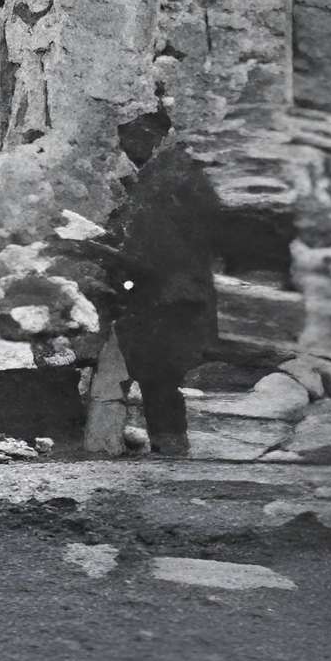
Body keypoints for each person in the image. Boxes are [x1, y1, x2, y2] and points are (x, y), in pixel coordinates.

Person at [104, 104, 226, 459]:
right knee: (157, 368)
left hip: (171, 291)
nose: (127, 148)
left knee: (162, 367)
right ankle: (169, 439)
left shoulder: (170, 176)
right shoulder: (155, 175)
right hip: (161, 288)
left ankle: (172, 440)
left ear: (151, 138)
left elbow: (171, 238)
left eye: (132, 139)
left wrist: (123, 255)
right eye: (123, 140)